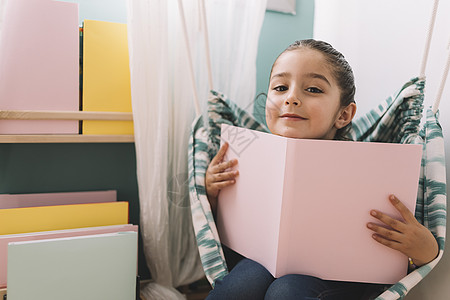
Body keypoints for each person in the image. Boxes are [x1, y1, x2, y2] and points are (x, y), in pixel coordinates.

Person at [204, 39, 439, 300]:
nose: (291, 98)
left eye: (313, 89)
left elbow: (420, 256)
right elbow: (219, 227)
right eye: (281, 87)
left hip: (340, 279)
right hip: (263, 262)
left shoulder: (371, 167)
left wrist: (424, 248)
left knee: (286, 291)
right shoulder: (244, 153)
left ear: (344, 115)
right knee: (242, 283)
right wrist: (213, 192)